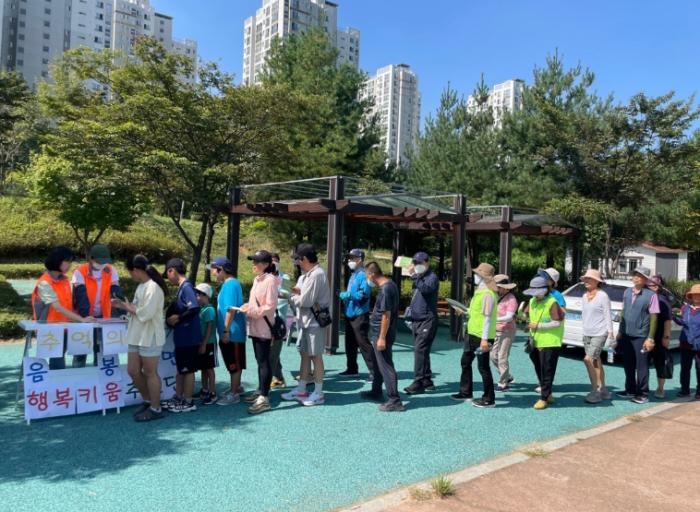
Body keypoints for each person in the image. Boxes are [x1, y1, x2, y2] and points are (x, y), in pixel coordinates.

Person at [111, 254, 167, 422]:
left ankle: (156, 408)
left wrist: (127, 307)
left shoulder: (153, 288)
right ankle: (148, 400)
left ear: (136, 270)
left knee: (150, 372)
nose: (131, 276)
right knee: (133, 370)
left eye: (130, 272)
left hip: (150, 335)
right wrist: (124, 308)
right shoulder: (142, 286)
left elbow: (146, 313)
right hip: (137, 334)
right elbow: (136, 309)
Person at [282, 243, 331, 407]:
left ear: (304, 259)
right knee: (304, 354)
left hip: (314, 323)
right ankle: (302, 388)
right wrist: (294, 295)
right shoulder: (306, 276)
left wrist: (290, 297)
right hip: (305, 322)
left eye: (297, 260)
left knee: (316, 356)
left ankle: (318, 392)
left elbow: (305, 301)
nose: (296, 263)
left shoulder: (317, 274)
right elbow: (299, 293)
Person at [32, 246, 94, 370]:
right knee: (57, 363)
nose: (70, 265)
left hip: (66, 326)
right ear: (57, 260)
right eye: (67, 261)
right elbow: (57, 307)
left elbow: (68, 304)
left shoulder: (64, 280)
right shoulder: (44, 283)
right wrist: (81, 320)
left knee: (74, 356)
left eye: (70, 261)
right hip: (50, 330)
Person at [451, 263, 497, 408]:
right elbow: (476, 312)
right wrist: (464, 311)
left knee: (483, 367)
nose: (475, 276)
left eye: (477, 274)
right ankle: (466, 392)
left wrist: (484, 339)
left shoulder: (488, 294)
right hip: (472, 334)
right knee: (465, 362)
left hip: (482, 337)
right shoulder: (480, 292)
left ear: (484, 277)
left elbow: (488, 318)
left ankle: (489, 398)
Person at [360, 262, 405, 412]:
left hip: (381, 333)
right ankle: (376, 391)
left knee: (385, 365)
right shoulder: (389, 285)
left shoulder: (386, 289)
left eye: (367, 275)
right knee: (377, 363)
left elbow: (386, 315)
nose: (367, 279)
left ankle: (395, 400)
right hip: (378, 332)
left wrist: (381, 337)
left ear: (372, 274)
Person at [239, 250, 279, 415]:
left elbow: (270, 306)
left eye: (256, 262)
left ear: (266, 264)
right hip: (255, 326)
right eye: (253, 261)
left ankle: (264, 397)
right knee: (259, 360)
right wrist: (248, 306)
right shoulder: (258, 279)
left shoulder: (270, 280)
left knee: (264, 361)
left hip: (264, 327)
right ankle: (261, 390)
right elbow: (257, 303)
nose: (253, 264)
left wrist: (251, 311)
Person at [72, 244, 123, 368]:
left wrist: (121, 311)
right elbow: (81, 297)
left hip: (103, 315)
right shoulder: (80, 272)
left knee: (100, 349)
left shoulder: (111, 270)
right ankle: (77, 374)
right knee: (81, 351)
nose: (102, 264)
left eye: (105, 262)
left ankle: (99, 374)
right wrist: (86, 317)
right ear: (91, 259)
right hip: (83, 316)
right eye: (100, 262)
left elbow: (116, 291)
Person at [615, 266, 659, 404]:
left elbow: (654, 317)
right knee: (628, 364)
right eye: (634, 275)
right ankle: (630, 390)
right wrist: (620, 331)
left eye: (639, 276)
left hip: (641, 336)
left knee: (642, 366)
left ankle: (643, 393)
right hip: (627, 334)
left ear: (645, 279)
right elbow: (623, 311)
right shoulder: (627, 292)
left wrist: (650, 338)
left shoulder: (651, 295)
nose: (636, 277)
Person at [164, 258, 201, 413]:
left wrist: (178, 318)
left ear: (172, 270)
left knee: (188, 370)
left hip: (188, 336)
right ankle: (179, 397)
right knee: (181, 369)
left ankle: (188, 401)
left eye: (167, 273)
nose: (168, 278)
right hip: (183, 336)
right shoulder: (182, 287)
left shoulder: (186, 287)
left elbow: (195, 308)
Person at [524, 275, 565, 410]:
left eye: (537, 291)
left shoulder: (552, 302)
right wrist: (526, 321)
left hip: (550, 342)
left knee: (547, 370)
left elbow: (557, 323)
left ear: (546, 290)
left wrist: (538, 326)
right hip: (535, 341)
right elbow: (527, 315)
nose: (535, 294)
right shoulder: (532, 301)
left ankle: (543, 398)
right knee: (540, 369)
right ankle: (548, 394)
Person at [209, 256, 247, 406]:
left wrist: (225, 331)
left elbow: (231, 309)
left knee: (234, 363)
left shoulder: (230, 284)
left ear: (221, 270)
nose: (212, 273)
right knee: (233, 361)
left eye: (214, 270)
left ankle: (234, 393)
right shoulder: (229, 284)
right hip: (231, 331)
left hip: (232, 332)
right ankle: (236, 387)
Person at [404, 252, 439, 395]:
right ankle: (426, 379)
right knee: (423, 350)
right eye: (415, 263)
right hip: (417, 319)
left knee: (420, 350)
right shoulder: (419, 277)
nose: (417, 265)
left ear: (427, 262)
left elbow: (426, 290)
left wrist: (414, 275)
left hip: (427, 319)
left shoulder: (432, 277)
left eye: (419, 262)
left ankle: (418, 381)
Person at [338, 248, 374, 381]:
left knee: (363, 343)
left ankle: (375, 371)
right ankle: (352, 369)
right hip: (350, 314)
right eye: (349, 258)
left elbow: (364, 294)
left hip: (360, 314)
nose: (349, 260)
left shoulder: (363, 275)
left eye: (352, 258)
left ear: (359, 260)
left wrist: (348, 295)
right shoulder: (354, 274)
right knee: (350, 344)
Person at [580, 269, 614, 404]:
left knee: (588, 359)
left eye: (589, 279)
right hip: (587, 333)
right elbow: (585, 315)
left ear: (597, 281)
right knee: (596, 361)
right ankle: (603, 389)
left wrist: (610, 333)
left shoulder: (603, 296)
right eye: (585, 279)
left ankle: (595, 392)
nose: (586, 281)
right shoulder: (584, 296)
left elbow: (607, 314)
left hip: (600, 333)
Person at [647, 275, 673, 399]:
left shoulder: (663, 301)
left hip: (659, 337)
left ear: (657, 287)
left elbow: (667, 321)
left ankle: (660, 388)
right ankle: (643, 387)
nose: (647, 288)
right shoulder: (646, 297)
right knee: (643, 364)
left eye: (650, 286)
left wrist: (666, 337)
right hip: (645, 337)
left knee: (660, 363)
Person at [491, 274, 518, 391]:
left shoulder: (511, 299)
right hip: (497, 330)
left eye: (499, 287)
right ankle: (507, 376)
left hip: (507, 331)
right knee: (493, 356)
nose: (497, 288)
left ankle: (503, 383)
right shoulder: (497, 296)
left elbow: (509, 317)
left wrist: (493, 320)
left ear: (506, 288)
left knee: (502, 357)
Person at [675, 284, 700, 399]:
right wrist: (673, 316)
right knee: (685, 368)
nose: (697, 296)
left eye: (699, 294)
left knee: (699, 368)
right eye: (695, 294)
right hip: (686, 343)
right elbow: (682, 322)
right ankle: (684, 390)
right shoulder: (685, 308)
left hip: (699, 344)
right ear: (691, 296)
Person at [194, 283, 218, 405]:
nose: (196, 297)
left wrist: (203, 344)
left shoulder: (209, 310)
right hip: (202, 343)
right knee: (203, 367)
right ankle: (204, 390)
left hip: (209, 343)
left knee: (209, 368)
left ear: (205, 296)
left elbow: (209, 327)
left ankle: (212, 393)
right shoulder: (201, 309)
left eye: (198, 294)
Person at [269, 252, 289, 389]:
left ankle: (270, 381)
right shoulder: (264, 277)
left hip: (279, 321)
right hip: (266, 320)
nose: (274, 263)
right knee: (271, 352)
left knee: (273, 352)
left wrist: (275, 293)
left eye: (276, 260)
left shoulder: (285, 277)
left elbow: (290, 294)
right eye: (271, 261)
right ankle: (279, 377)